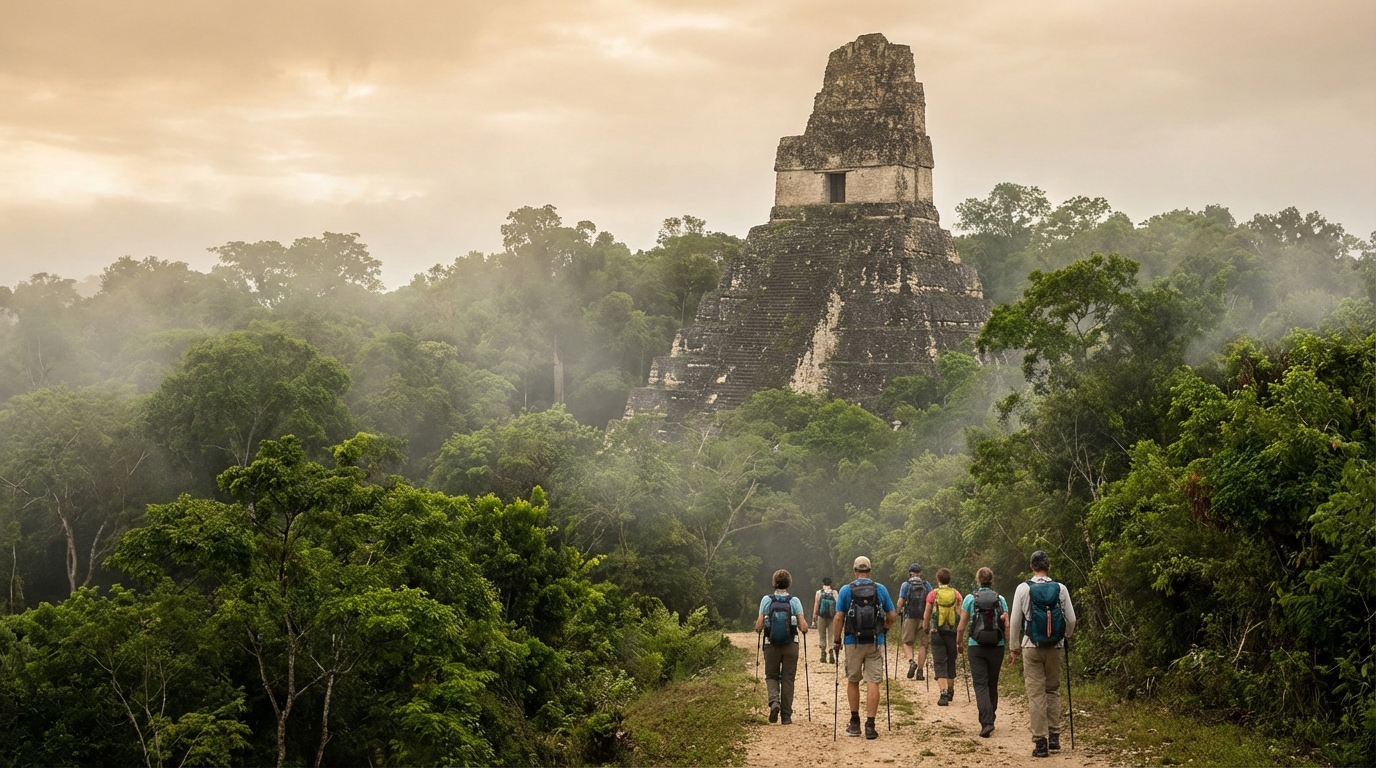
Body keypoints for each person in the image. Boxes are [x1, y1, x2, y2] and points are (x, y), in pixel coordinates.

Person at [1008, 550, 1077, 758]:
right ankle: (1054, 736)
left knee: (1036, 694)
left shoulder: (1023, 588)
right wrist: (1065, 636)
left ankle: (1040, 742)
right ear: (1049, 566)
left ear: (1031, 566)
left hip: (1031, 646)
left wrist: (1014, 646)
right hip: (1055, 646)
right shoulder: (1060, 588)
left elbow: (1015, 621)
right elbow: (1071, 619)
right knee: (1052, 690)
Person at [831, 556, 896, 740]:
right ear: (870, 570)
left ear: (855, 571)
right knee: (872, 681)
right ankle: (870, 726)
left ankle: (854, 723)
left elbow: (838, 618)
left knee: (853, 680)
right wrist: (884, 629)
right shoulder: (880, 589)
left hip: (852, 641)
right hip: (875, 641)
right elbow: (892, 615)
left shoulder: (846, 590)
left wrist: (837, 640)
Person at [958, 567, 1009, 738]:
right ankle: (991, 716)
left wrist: (959, 642)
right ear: (991, 580)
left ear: (978, 580)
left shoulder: (970, 599)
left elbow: (962, 626)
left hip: (976, 646)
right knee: (992, 683)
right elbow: (1006, 625)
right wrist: (1010, 646)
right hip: (997, 645)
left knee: (980, 684)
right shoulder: (1000, 599)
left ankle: (987, 722)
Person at [755, 569, 809, 725]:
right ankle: (786, 716)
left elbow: (759, 626)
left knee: (771, 676)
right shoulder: (794, 601)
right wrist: (802, 627)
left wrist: (762, 625)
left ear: (774, 582)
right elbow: (803, 627)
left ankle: (774, 702)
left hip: (771, 644)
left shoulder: (766, 600)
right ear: (789, 583)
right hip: (791, 645)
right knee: (788, 679)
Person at [921, 567, 962, 706]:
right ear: (949, 580)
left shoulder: (933, 594)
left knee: (939, 662)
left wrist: (926, 627)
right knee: (951, 660)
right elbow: (960, 613)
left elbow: (927, 613)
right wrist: (959, 631)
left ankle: (943, 693)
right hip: (952, 632)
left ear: (938, 579)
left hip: (936, 632)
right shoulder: (956, 594)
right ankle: (950, 690)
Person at [895, 563, 931, 680]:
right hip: (923, 617)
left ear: (910, 573)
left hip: (909, 616)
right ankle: (920, 671)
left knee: (907, 642)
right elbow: (931, 600)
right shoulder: (926, 585)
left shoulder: (906, 585)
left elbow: (901, 601)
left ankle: (911, 662)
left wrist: (898, 612)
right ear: (920, 573)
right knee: (923, 644)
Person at [811, 577, 838, 664]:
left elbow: (816, 605)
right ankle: (831, 653)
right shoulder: (834, 593)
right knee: (831, 636)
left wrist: (814, 617)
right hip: (832, 617)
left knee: (822, 636)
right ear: (831, 584)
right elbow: (837, 606)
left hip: (821, 617)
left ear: (823, 583)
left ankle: (823, 654)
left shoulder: (819, 592)